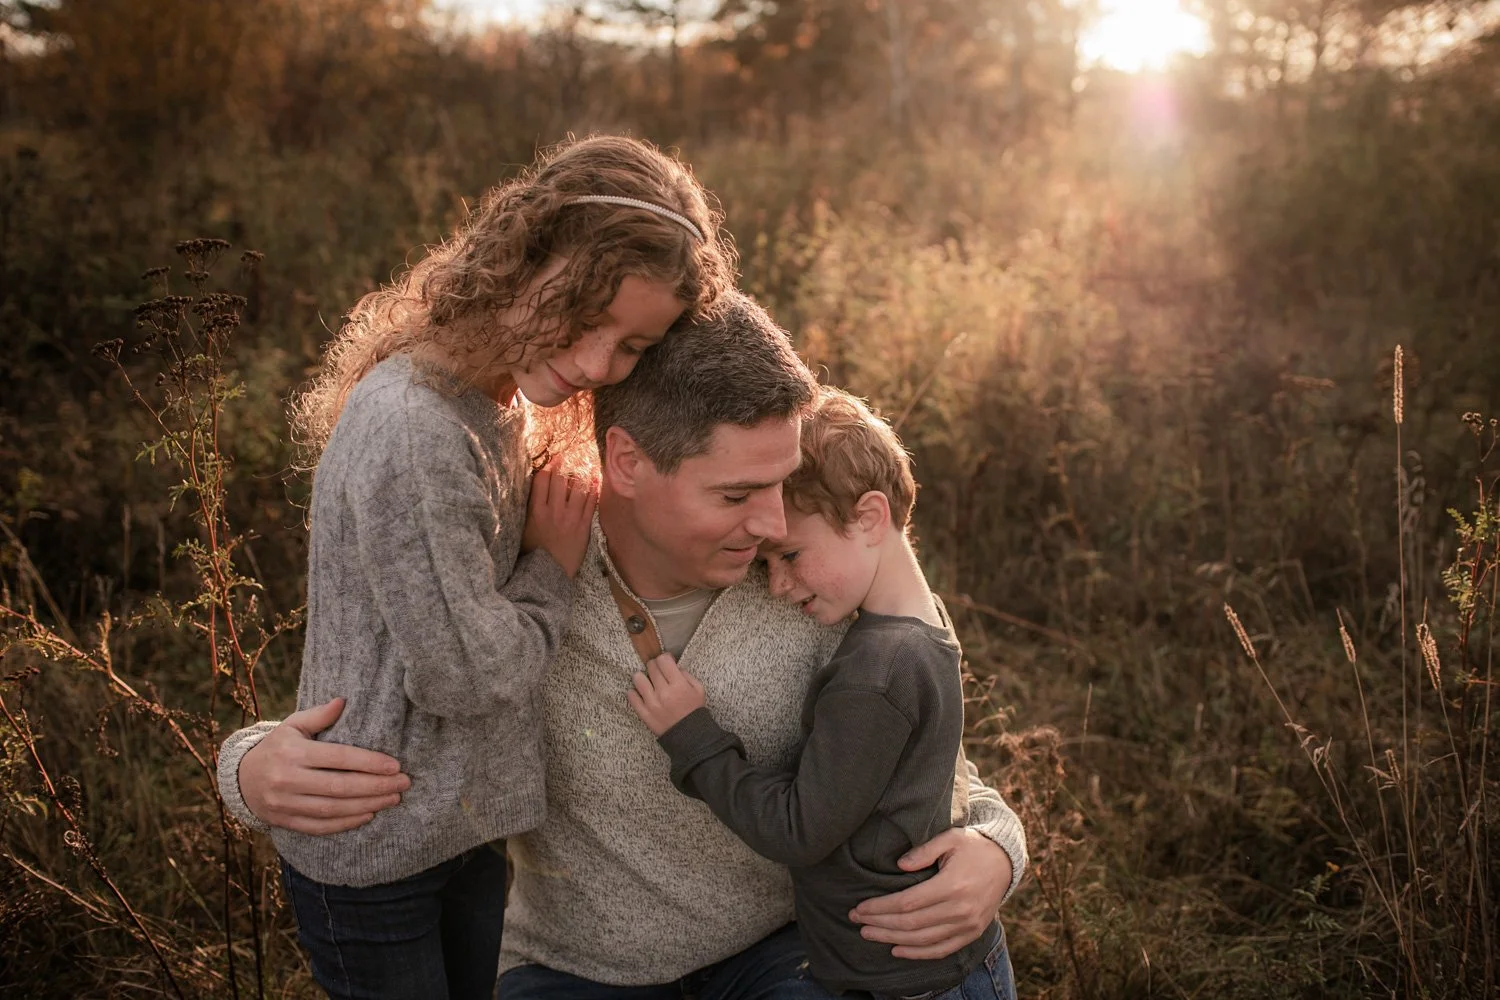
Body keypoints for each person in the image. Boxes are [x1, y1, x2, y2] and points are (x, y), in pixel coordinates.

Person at [218, 293, 1026, 1000]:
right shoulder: (530, 564)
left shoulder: (803, 574)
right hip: (574, 969)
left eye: (780, 485)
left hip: (789, 951)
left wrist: (997, 843)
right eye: (738, 493)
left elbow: (912, 737)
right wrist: (251, 767)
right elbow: (388, 684)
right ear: (628, 462)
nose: (774, 520)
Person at [215, 134, 736, 1000]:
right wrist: (549, 569)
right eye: (585, 314)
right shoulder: (420, 432)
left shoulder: (500, 405)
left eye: (635, 346)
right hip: (378, 848)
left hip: (454, 828)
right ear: (521, 261)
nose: (599, 365)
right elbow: (466, 675)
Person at [627, 385, 1017, 999]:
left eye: (789, 555)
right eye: (764, 565)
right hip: (922, 970)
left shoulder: (876, 668)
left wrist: (693, 738)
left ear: (868, 517)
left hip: (912, 983)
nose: (778, 585)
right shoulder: (922, 626)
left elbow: (798, 830)